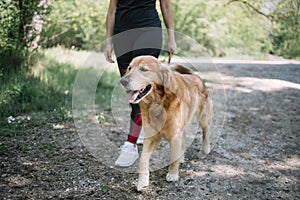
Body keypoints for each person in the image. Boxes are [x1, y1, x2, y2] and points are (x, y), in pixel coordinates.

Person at [105, 0, 176, 167]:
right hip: (121, 34)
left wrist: (171, 38)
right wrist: (108, 41)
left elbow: (166, 6)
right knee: (131, 89)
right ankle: (142, 124)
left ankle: (130, 145)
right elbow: (112, 10)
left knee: (139, 88)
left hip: (148, 31)